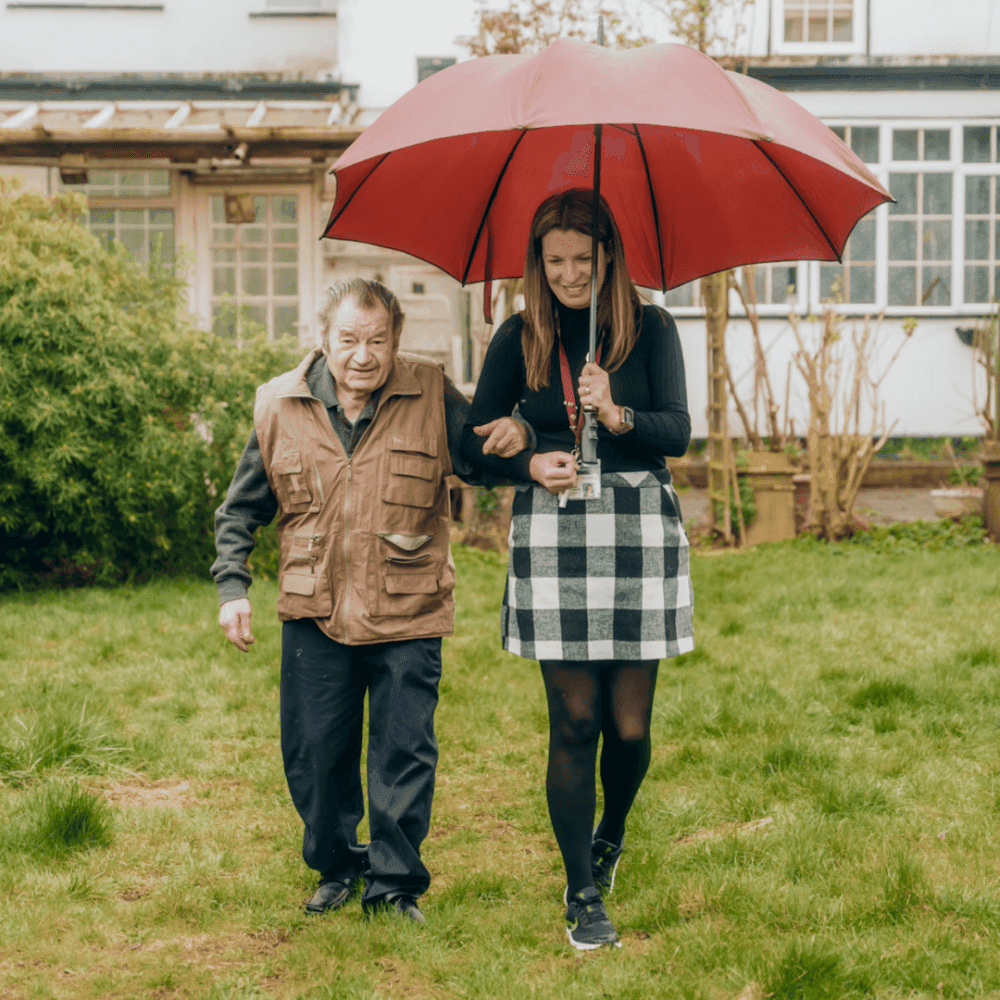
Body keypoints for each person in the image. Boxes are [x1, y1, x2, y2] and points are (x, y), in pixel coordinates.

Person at [212, 278, 529, 923]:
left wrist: (522, 433)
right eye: (349, 340)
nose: (363, 355)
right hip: (313, 609)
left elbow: (483, 459)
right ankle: (335, 866)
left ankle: (394, 884)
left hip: (407, 606)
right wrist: (233, 588)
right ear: (324, 339)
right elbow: (240, 509)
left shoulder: (430, 392)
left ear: (396, 340)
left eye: (377, 340)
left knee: (402, 752)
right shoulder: (279, 405)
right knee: (315, 754)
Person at [463, 189, 694, 950]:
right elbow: (472, 444)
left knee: (628, 727)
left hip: (636, 526)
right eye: (554, 260)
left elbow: (679, 432)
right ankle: (582, 890)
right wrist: (527, 458)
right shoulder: (518, 336)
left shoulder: (651, 327)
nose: (567, 275)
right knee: (577, 720)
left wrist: (618, 414)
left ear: (609, 257)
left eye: (582, 260)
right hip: (555, 530)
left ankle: (611, 831)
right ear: (538, 261)